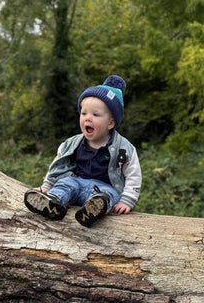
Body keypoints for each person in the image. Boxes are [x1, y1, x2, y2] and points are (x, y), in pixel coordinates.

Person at [24, 75, 142, 227]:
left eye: (95, 114)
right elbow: (59, 164)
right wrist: (48, 185)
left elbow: (133, 174)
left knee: (108, 196)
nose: (88, 118)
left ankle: (92, 211)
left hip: (103, 188)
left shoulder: (123, 148)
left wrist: (127, 199)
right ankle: (53, 203)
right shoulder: (72, 143)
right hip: (77, 183)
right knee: (66, 183)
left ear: (110, 123)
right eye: (84, 113)